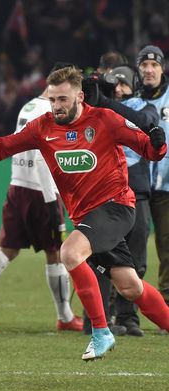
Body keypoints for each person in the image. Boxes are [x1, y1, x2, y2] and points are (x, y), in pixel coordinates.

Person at [0, 66, 169, 361]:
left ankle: (100, 332)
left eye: (63, 100)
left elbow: (148, 150)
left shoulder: (105, 120)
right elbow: (6, 146)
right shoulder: (42, 126)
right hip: (86, 218)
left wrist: (158, 144)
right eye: (53, 99)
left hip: (116, 206)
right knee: (130, 285)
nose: (56, 106)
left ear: (80, 97)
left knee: (69, 252)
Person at [0, 84, 83, 333]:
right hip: (41, 190)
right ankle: (65, 316)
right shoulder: (51, 111)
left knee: (8, 249)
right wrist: (51, 202)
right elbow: (41, 156)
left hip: (18, 185)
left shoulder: (28, 106)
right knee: (57, 252)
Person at [85, 62, 160, 336]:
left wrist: (105, 101)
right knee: (100, 259)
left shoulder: (143, 107)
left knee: (136, 260)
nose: (118, 90)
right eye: (113, 85)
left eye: (124, 83)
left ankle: (128, 318)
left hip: (136, 191)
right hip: (104, 194)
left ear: (135, 85)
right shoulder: (99, 112)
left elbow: (145, 123)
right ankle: (97, 319)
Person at [137, 45, 169, 306]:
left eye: (154, 65)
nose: (149, 70)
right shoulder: (132, 99)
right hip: (136, 187)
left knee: (167, 247)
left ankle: (166, 305)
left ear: (162, 68)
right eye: (144, 65)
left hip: (167, 188)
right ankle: (122, 307)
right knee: (132, 248)